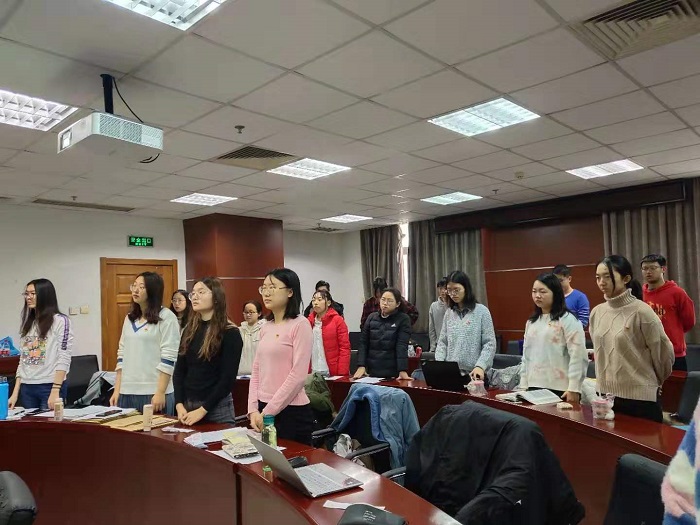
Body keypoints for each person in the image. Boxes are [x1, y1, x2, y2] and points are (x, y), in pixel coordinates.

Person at [589, 255, 674, 422]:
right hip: (606, 397)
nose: (601, 282)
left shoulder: (642, 311)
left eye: (607, 277)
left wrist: (652, 383)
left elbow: (663, 353)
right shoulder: (597, 312)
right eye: (598, 277)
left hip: (640, 399)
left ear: (626, 278)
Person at [247, 268, 314, 445]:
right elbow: (257, 370)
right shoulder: (265, 327)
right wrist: (253, 409)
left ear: (290, 292)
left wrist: (268, 412)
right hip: (263, 408)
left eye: (273, 287)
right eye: (264, 287)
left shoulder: (300, 324)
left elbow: (298, 376)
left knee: (291, 462)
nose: (266, 292)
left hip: (291, 411)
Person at [173, 277, 242, 426]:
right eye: (193, 293)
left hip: (216, 408)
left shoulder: (230, 332)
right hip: (187, 406)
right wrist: (178, 404)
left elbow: (227, 379)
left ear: (216, 297)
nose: (195, 296)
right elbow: (179, 370)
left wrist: (203, 410)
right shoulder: (189, 330)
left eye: (201, 292)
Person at [109, 272, 180, 415]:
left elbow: (169, 357)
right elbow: (121, 355)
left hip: (154, 393)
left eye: (141, 287)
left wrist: (160, 392)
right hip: (126, 391)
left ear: (153, 291)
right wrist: (117, 389)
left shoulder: (166, 317)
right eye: (134, 286)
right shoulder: (129, 319)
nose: (135, 290)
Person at [518, 273, 587, 403]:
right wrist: (523, 384)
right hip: (533, 386)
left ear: (556, 293)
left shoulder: (568, 319)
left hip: (561, 389)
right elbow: (526, 356)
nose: (537, 295)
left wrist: (574, 388)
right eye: (534, 291)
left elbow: (578, 355)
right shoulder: (531, 322)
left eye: (542, 291)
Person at [8, 279, 73, 410]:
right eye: (26, 294)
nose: (28, 297)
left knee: (49, 423)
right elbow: (23, 360)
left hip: (49, 386)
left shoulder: (60, 321)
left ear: (45, 295)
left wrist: (56, 389)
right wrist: (15, 393)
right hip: (27, 387)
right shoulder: (29, 324)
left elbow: (64, 357)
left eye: (33, 293)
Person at [435, 270, 496, 381]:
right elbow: (442, 342)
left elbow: (489, 344)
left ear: (466, 289)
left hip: (474, 373)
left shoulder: (482, 311)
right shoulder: (449, 313)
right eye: (449, 290)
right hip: (451, 373)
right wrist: (439, 364)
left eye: (456, 290)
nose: (452, 294)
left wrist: (480, 366)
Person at [641, 254, 696, 372]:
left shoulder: (677, 293)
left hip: (674, 353)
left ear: (663, 269)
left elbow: (689, 321)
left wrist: (674, 332)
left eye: (653, 268)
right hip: (647, 354)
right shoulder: (640, 294)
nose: (648, 272)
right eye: (645, 268)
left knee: (675, 384)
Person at [354, 287, 411, 380]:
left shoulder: (403, 319)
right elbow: (363, 343)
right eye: (383, 299)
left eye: (390, 301)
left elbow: (401, 346)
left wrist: (402, 370)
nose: (385, 303)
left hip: (392, 372)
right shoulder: (371, 317)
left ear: (397, 304)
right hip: (371, 371)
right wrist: (361, 365)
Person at [307, 289, 351, 376]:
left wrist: (342, 372)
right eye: (313, 300)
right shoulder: (308, 321)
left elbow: (344, 348)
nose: (316, 303)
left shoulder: (338, 320)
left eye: (319, 299)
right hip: (313, 369)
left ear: (328, 303)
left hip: (331, 370)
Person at [238, 300, 264, 376]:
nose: (248, 315)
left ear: (259, 313)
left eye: (251, 312)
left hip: (260, 374)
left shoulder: (265, 329)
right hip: (241, 375)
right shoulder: (238, 331)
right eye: (246, 312)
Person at [428, 277, 448, 351]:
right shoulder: (434, 306)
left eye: (445, 288)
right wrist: (433, 347)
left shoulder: (454, 306)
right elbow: (432, 328)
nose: (442, 291)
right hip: (439, 345)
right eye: (440, 288)